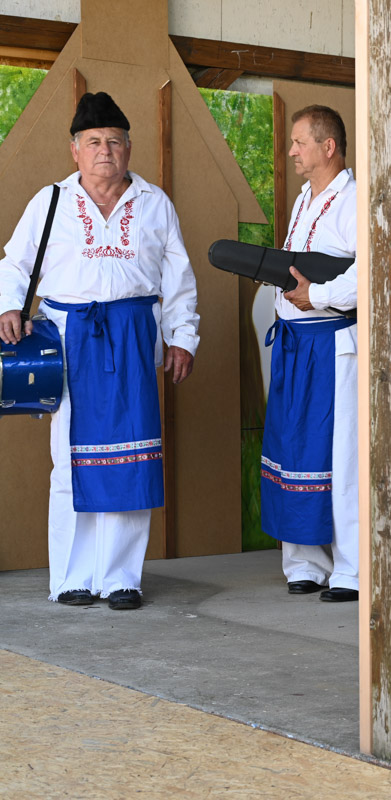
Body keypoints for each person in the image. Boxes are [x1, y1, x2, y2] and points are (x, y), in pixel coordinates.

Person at [0, 92, 198, 611]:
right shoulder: (50, 201)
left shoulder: (155, 203)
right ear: (75, 150)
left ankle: (121, 579)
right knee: (70, 459)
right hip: (69, 337)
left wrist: (182, 337)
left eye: (113, 141)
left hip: (134, 336)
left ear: (129, 147)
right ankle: (72, 578)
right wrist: (9, 306)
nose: (104, 150)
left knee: (132, 456)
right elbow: (15, 263)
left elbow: (178, 279)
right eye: (93, 142)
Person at [261, 105, 359, 603]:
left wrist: (317, 296)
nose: (292, 151)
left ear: (328, 146)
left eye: (300, 142)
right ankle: (305, 563)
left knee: (340, 455)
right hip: (294, 343)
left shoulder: (355, 201)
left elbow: (372, 270)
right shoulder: (304, 198)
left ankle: (353, 568)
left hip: (333, 344)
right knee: (293, 447)